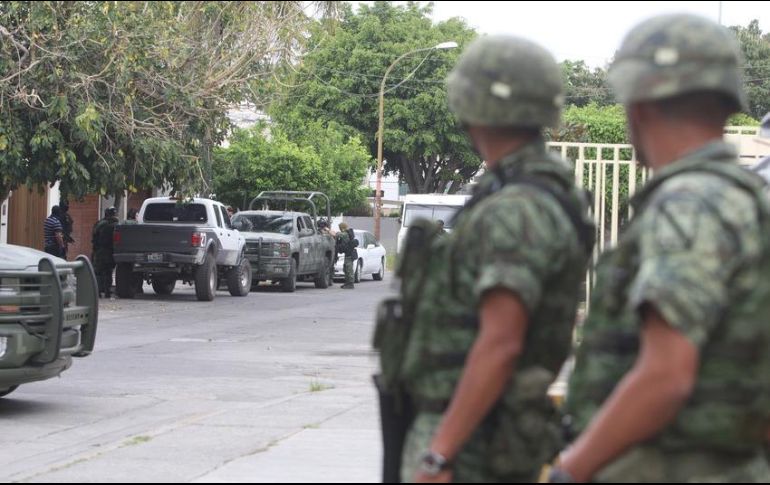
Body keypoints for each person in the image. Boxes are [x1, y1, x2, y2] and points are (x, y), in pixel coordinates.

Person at [554, 14, 770, 483]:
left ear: (639, 106)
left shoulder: (687, 205)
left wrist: (571, 469)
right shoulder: (749, 202)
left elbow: (666, 376)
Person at [376, 35, 594, 483]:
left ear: (474, 106)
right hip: (476, 432)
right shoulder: (524, 192)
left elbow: (501, 341)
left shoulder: (517, 208)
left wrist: (439, 454)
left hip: (472, 444)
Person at [92, 207, 119, 298]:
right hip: (110, 251)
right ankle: (107, 292)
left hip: (100, 251)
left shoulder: (100, 224)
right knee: (108, 272)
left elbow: (94, 236)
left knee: (99, 272)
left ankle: (98, 292)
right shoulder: (117, 224)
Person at [336, 222, 356, 289]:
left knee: (349, 269)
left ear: (342, 228)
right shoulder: (347, 233)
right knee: (346, 268)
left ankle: (350, 284)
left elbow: (336, 235)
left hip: (349, 254)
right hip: (348, 253)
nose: (340, 229)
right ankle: (347, 283)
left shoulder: (345, 234)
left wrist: (327, 230)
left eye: (340, 228)